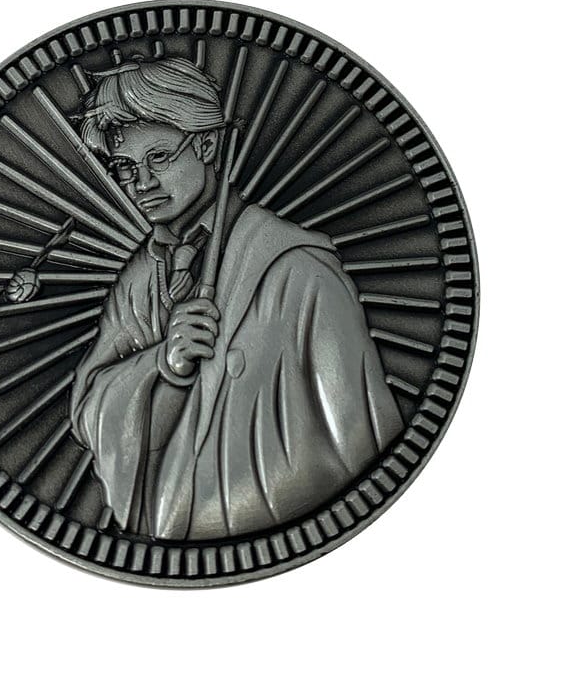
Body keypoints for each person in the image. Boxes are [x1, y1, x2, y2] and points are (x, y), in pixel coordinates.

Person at [69, 57, 404, 540]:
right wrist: (162, 365)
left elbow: (368, 441)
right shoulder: (138, 280)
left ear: (207, 144)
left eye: (158, 157)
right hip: (172, 533)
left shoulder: (298, 269)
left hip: (286, 529)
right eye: (125, 166)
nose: (142, 183)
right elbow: (89, 410)